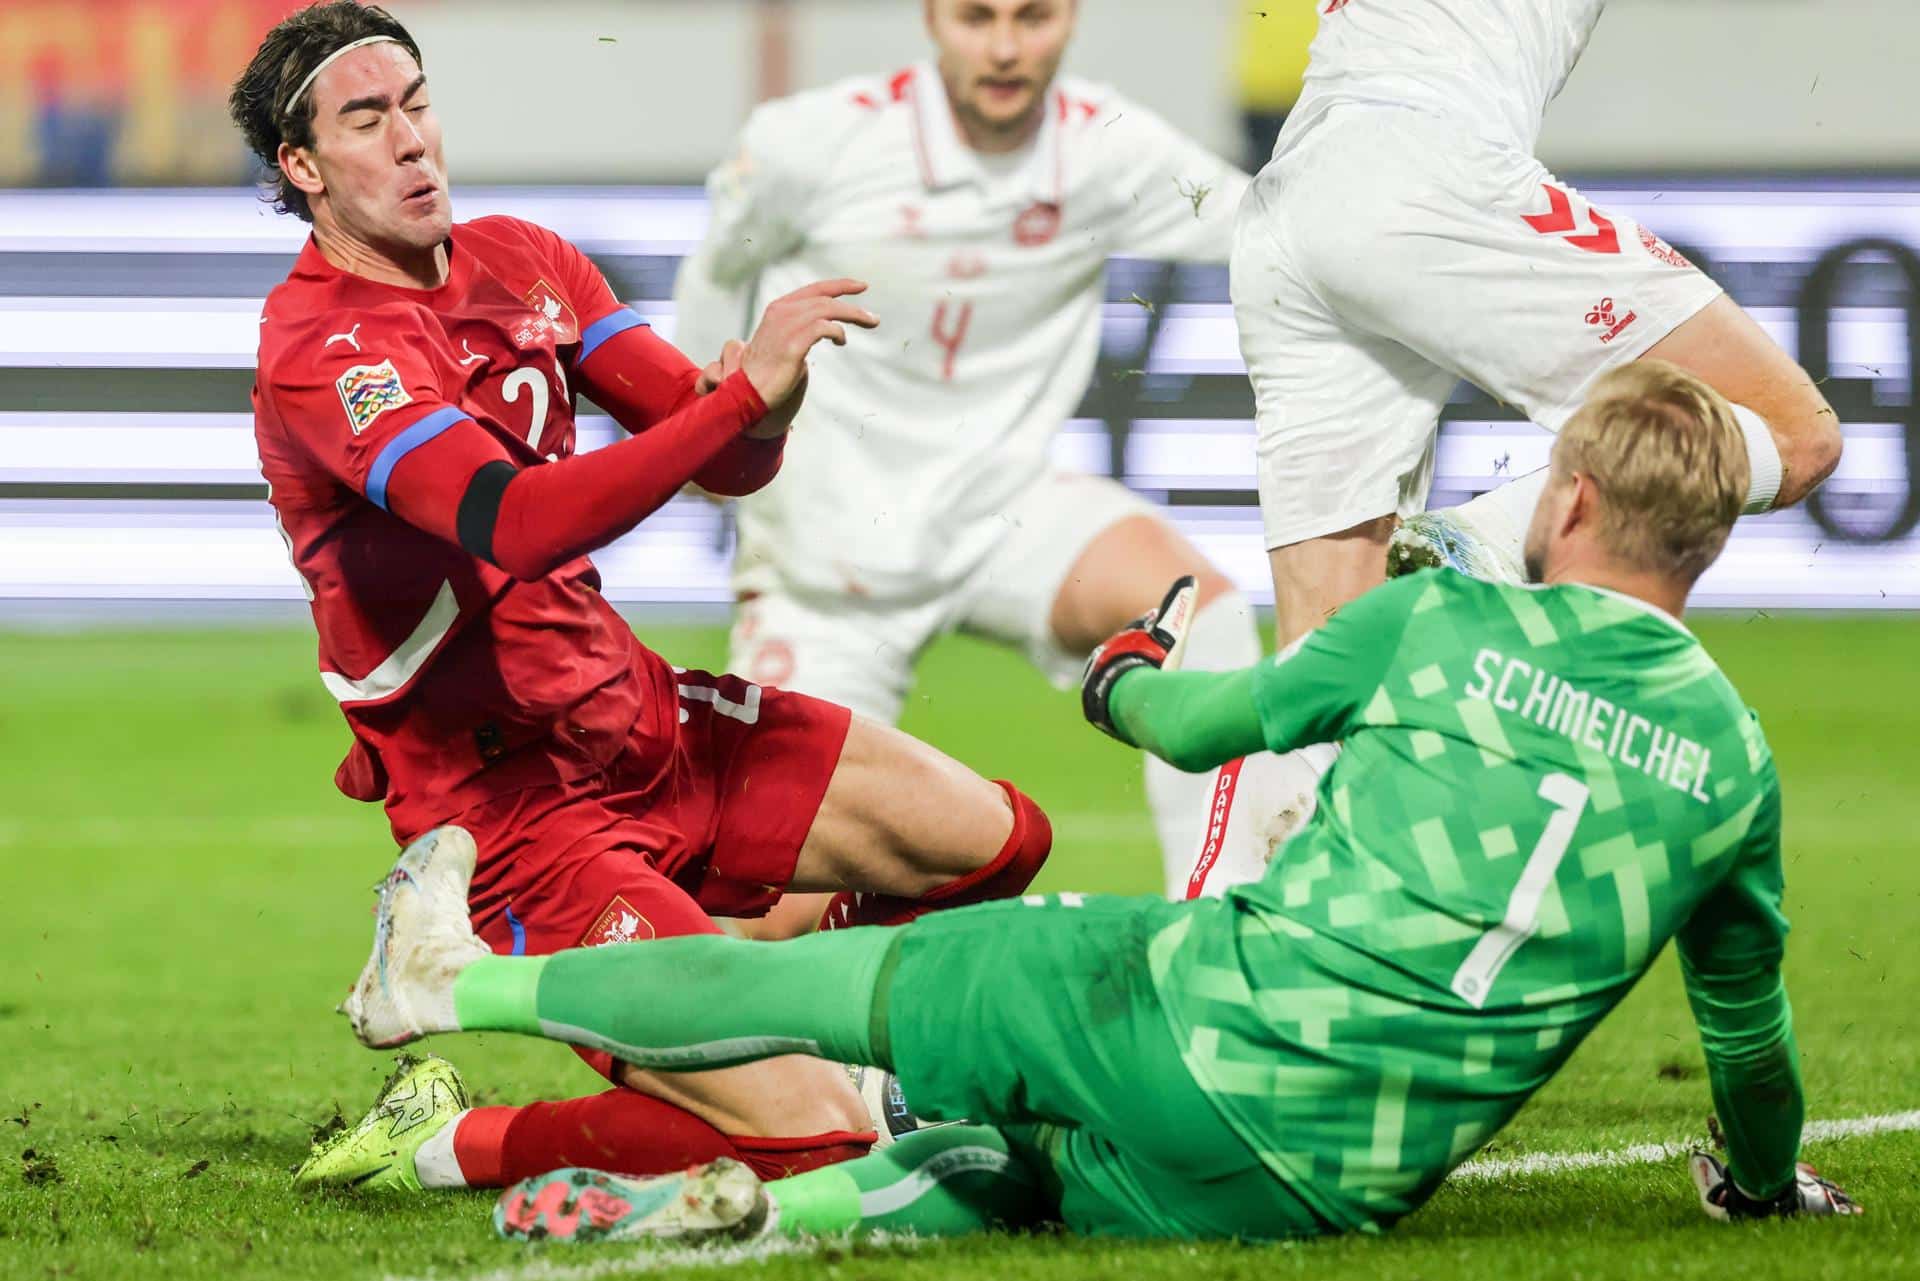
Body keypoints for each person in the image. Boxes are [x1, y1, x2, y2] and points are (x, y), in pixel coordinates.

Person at [335, 363, 1859, 1242]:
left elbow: (1198, 722)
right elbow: (1752, 1041)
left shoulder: (1447, 620)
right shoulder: (1733, 762)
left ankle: (464, 979)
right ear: (1709, 546)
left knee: (808, 985)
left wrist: (1123, 671)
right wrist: (1754, 1177)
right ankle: (786, 1223)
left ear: (1569, 501)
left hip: (1188, 1022)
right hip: (1326, 1189)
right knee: (1017, 1174)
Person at [231, 2, 1054, 1198]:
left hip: (649, 722)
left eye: (417, 103)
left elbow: (722, 455)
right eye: (367, 120)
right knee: (817, 1148)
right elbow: (517, 522)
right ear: (302, 169)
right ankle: (448, 1144)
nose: (412, 141)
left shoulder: (527, 260)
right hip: (509, 821)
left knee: (996, 840)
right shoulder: (325, 352)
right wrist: (733, 406)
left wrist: (763, 401)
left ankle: (760, 1008)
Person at [673, 0, 1258, 903]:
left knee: (1203, 615)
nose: (1005, 47)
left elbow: (1271, 232)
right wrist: (697, 430)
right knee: (756, 912)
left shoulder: (1102, 146)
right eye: (977, 16)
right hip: (827, 561)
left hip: (1006, 516)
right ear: (931, 18)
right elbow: (714, 270)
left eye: (1034, 17)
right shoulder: (813, 142)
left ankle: (1223, 937)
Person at [1236, 0, 1843, 647]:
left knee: (1330, 673)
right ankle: (1463, 551)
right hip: (1431, 165)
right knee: (1796, 432)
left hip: (1288, 202)